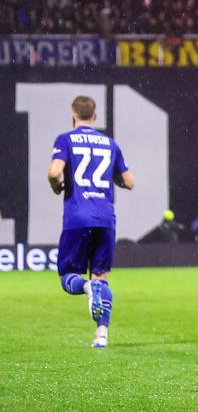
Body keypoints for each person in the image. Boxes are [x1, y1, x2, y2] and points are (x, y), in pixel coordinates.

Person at [48, 95, 133, 349]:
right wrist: (110, 178)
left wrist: (57, 185)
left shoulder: (66, 139)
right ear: (94, 117)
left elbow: (54, 172)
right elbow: (129, 182)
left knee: (68, 276)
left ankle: (86, 288)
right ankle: (102, 335)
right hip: (105, 217)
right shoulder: (110, 143)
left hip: (77, 217)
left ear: (73, 116)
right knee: (101, 276)